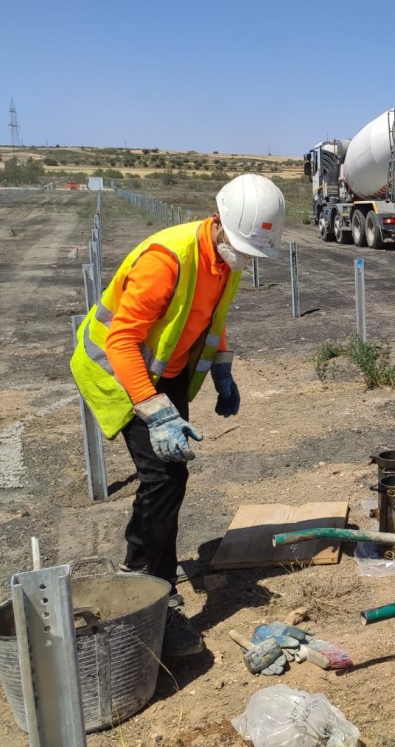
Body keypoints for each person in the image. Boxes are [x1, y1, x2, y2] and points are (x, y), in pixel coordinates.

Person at [69, 174, 287, 655]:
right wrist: (154, 410)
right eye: (245, 247)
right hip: (118, 372)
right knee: (165, 477)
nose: (247, 259)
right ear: (220, 222)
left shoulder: (224, 260)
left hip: (162, 370)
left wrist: (224, 372)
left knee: (167, 478)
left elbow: (214, 320)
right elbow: (122, 340)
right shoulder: (166, 259)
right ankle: (160, 599)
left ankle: (136, 568)